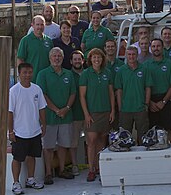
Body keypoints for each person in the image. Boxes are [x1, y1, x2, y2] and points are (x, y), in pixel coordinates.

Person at [36, 48, 77, 183]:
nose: (57, 58)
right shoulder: (43, 74)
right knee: (48, 146)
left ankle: (61, 169)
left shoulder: (69, 74)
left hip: (66, 115)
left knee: (63, 144)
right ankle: (48, 173)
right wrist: (55, 110)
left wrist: (66, 108)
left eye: (59, 56)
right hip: (49, 117)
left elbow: (73, 93)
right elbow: (43, 95)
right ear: (50, 58)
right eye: (54, 56)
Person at [78, 48, 115, 182]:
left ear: (102, 59)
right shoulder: (86, 74)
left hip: (105, 111)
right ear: (90, 60)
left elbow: (111, 93)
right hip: (92, 113)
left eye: (98, 57)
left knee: (101, 141)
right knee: (91, 142)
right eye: (94, 58)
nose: (96, 60)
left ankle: (100, 168)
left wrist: (112, 110)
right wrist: (86, 114)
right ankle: (91, 169)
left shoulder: (108, 73)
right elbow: (82, 96)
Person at [8, 62, 46, 194]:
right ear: (19, 74)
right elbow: (9, 112)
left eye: (29, 72)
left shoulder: (37, 89)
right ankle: (16, 182)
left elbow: (41, 108)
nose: (27, 75)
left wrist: (43, 125)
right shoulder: (13, 91)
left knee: (32, 156)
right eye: (24, 72)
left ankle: (30, 179)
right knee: (17, 158)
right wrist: (11, 131)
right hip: (19, 132)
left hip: (35, 130)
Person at [114, 46, 153, 142]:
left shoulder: (144, 69)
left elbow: (148, 87)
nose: (131, 56)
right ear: (126, 56)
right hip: (125, 109)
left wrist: (146, 104)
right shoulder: (121, 71)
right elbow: (119, 90)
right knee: (125, 137)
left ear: (137, 55)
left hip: (140, 108)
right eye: (129, 54)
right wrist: (120, 107)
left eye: (133, 54)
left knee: (143, 136)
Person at [145, 38, 171, 143]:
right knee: (152, 132)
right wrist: (149, 103)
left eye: (158, 46)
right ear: (151, 48)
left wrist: (164, 101)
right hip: (151, 101)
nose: (156, 48)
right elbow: (143, 86)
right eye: (153, 46)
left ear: (162, 47)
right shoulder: (146, 65)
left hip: (166, 100)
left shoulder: (170, 64)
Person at [68, 50, 86, 175]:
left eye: (79, 59)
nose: (77, 61)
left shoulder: (88, 73)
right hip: (75, 114)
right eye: (75, 59)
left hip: (89, 114)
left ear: (83, 60)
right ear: (71, 61)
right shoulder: (68, 75)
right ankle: (74, 165)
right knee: (73, 142)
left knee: (90, 141)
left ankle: (93, 165)